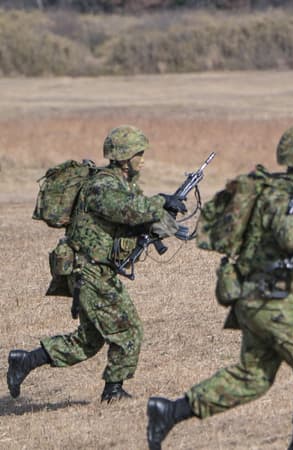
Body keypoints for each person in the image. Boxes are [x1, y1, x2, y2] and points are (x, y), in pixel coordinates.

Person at [146, 125, 293, 450]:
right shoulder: (285, 195)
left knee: (252, 378)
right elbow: (291, 234)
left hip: (255, 298)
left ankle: (169, 411)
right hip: (271, 300)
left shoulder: (291, 189)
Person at [6, 125, 185, 402]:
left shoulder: (121, 185)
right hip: (87, 270)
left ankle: (25, 360)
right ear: (125, 157)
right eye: (139, 153)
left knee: (88, 341)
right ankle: (113, 392)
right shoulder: (103, 186)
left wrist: (163, 218)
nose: (144, 159)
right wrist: (162, 201)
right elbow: (131, 210)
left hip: (94, 269)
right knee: (128, 329)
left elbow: (131, 220)